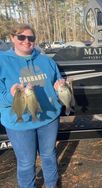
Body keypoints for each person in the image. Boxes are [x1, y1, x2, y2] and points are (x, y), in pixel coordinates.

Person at [0, 23, 63, 188]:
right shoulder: (2, 61)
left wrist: (60, 89)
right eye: (21, 37)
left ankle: (51, 184)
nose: (26, 41)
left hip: (49, 119)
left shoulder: (46, 61)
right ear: (12, 38)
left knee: (48, 155)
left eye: (31, 38)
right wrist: (12, 96)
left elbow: (56, 85)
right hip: (19, 121)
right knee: (27, 162)